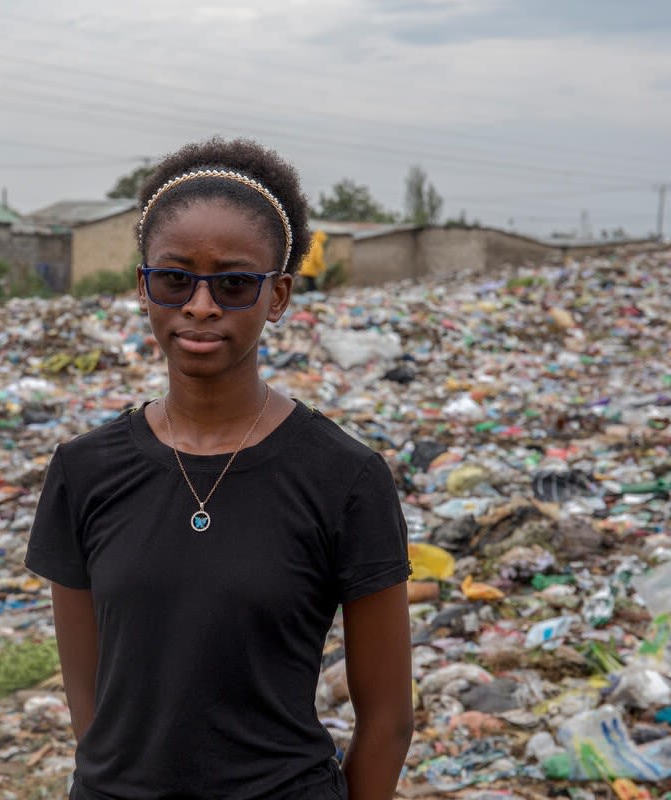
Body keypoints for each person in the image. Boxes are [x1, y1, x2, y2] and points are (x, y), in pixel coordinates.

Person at [25, 137, 414, 800]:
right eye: (175, 278)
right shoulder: (83, 471)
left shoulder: (344, 479)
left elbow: (388, 720)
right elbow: (91, 706)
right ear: (143, 286)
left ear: (279, 294)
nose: (200, 306)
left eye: (234, 283)